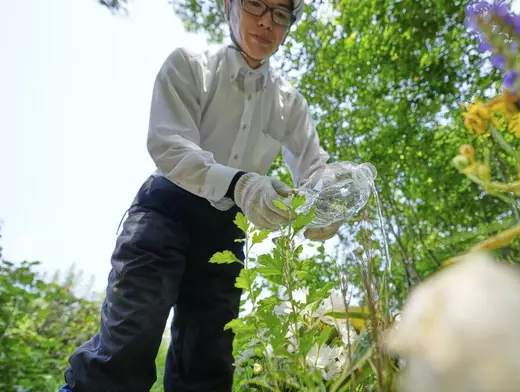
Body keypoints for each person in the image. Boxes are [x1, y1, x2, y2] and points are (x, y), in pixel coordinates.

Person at [58, 0, 344, 390]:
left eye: (280, 13)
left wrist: (326, 204)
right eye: (255, 4)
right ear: (227, 5)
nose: (266, 22)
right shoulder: (190, 65)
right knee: (128, 342)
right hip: (165, 211)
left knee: (208, 364)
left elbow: (314, 169)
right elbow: (169, 145)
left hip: (225, 234)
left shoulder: (289, 104)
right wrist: (240, 183)